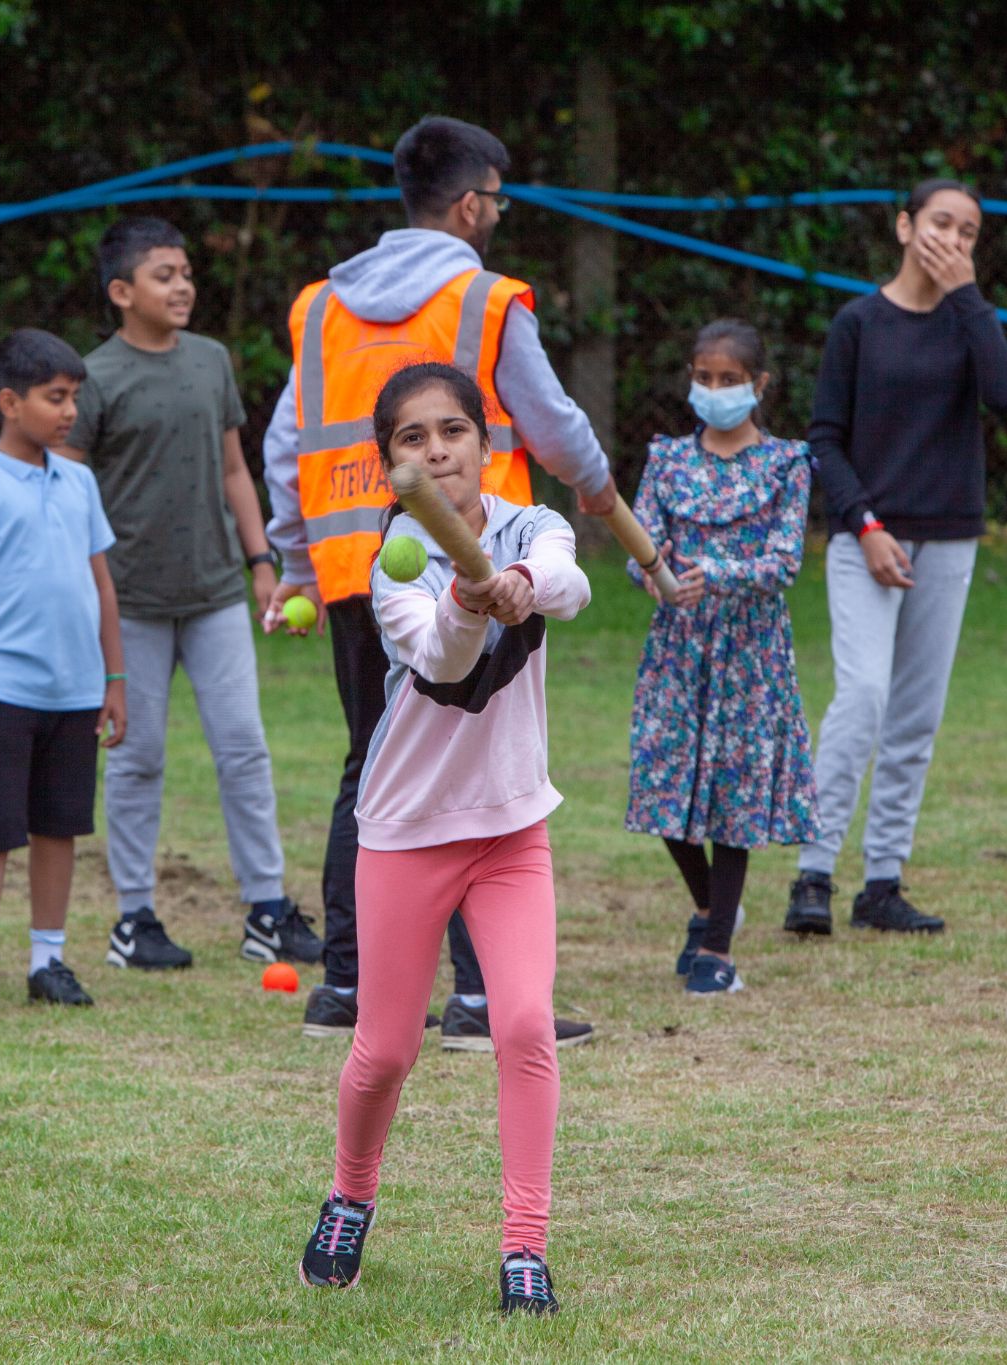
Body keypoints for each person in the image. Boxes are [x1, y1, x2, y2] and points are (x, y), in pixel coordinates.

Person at [263, 115, 611, 1049]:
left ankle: (347, 985)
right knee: (473, 756)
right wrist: (602, 494)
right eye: (496, 199)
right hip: (472, 560)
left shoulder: (320, 307)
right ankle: (477, 999)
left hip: (350, 560)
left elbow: (285, 443)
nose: (496, 214)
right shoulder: (487, 298)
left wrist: (295, 563)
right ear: (470, 203)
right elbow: (553, 421)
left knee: (369, 760)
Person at [296, 363, 588, 1315]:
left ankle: (525, 1248)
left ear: (485, 444)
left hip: (510, 828)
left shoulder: (527, 521)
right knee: (383, 1052)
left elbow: (571, 579)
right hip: (406, 830)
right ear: (389, 466)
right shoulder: (393, 563)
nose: (435, 450)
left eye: (451, 430)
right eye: (411, 439)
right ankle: (351, 1193)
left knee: (525, 1026)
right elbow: (441, 660)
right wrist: (472, 600)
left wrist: (520, 583)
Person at [60, 217, 318, 973]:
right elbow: (70, 489)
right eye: (163, 275)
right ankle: (134, 917)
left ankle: (267, 908)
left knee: (244, 747)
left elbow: (236, 470)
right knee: (137, 758)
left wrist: (261, 560)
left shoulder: (210, 361)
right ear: (120, 292)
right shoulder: (95, 376)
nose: (182, 286)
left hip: (214, 595)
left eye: (186, 272)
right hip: (129, 601)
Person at [785, 178, 1007, 936]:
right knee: (862, 697)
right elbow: (825, 437)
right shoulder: (858, 322)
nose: (952, 240)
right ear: (903, 226)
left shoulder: (969, 321)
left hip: (948, 537)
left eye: (968, 231)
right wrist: (864, 524)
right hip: (869, 541)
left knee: (916, 715)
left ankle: (881, 881)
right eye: (940, 223)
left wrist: (969, 299)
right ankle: (813, 874)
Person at [0, 330, 126, 1016]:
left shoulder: (79, 481)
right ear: (10, 402)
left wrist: (114, 681)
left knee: (59, 827)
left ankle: (48, 959)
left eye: (74, 397)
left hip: (75, 693)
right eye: (55, 397)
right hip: (2, 692)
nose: (70, 410)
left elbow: (100, 584)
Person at [626, 320, 818, 995]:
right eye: (703, 377)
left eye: (728, 379)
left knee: (733, 794)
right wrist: (646, 571)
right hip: (678, 650)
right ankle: (710, 905)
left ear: (758, 385)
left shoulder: (787, 464)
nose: (713, 390)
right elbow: (640, 540)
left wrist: (716, 571)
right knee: (660, 780)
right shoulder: (667, 459)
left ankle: (716, 948)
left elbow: (784, 560)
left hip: (750, 655)